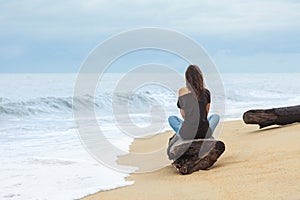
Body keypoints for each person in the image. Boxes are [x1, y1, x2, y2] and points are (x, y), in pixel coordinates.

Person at [168, 64, 220, 140]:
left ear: (187, 79)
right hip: (204, 133)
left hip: (187, 135)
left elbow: (183, 115)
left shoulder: (182, 92)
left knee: (171, 118)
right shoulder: (206, 92)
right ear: (200, 78)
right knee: (215, 116)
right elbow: (206, 112)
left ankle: (182, 132)